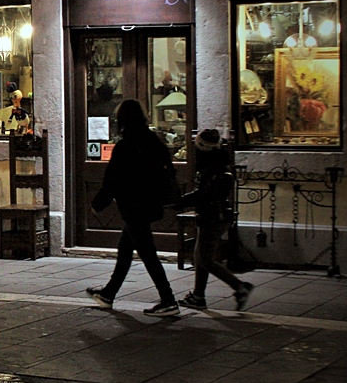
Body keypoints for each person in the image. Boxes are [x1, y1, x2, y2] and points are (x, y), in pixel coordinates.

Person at [86, 99, 179, 316]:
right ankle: (108, 293)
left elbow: (112, 180)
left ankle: (168, 300)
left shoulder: (125, 146)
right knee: (125, 250)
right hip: (149, 204)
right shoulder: (154, 141)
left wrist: (98, 204)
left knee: (147, 254)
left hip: (134, 207)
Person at [175, 129, 255, 311]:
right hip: (215, 216)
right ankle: (198, 296)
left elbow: (205, 194)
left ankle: (240, 287)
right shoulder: (219, 163)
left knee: (205, 259)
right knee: (201, 257)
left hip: (213, 217)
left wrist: (182, 201)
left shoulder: (211, 167)